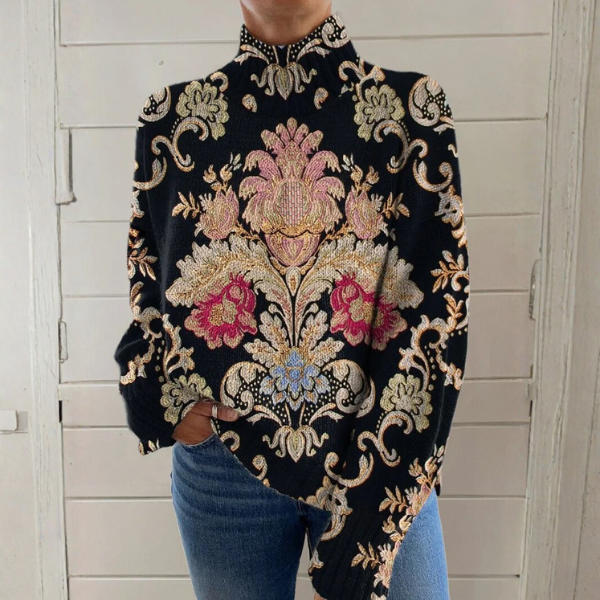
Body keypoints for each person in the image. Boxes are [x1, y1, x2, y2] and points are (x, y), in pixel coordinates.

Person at [114, 2, 470, 599]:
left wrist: (384, 498)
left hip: (382, 453)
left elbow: (438, 308)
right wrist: (159, 396)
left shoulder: (411, 113)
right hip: (223, 464)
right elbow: (150, 283)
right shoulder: (172, 120)